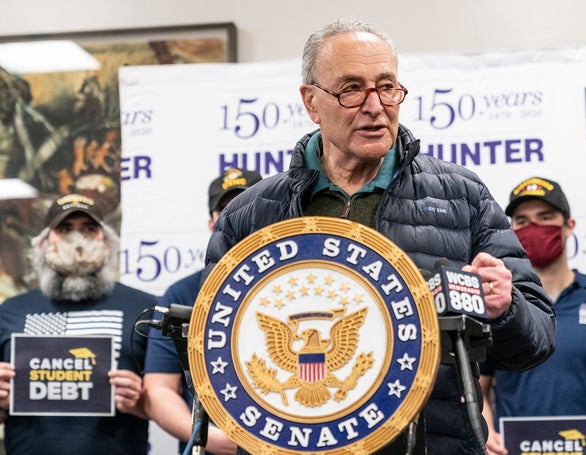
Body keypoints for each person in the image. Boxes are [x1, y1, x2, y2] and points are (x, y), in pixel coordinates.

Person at [203, 19, 556, 454]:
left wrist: (506, 308)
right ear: (311, 102)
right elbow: (209, 354)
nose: (375, 105)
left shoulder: (462, 198)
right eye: (351, 89)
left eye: (386, 86)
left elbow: (536, 341)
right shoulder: (250, 215)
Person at [479, 177, 586, 455]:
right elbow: (479, 385)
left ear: (569, 225)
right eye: (522, 221)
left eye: (545, 217)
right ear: (510, 230)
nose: (534, 228)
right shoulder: (496, 304)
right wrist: (486, 431)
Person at [0, 193, 154, 455]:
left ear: (107, 241)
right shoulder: (10, 311)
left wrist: (144, 402)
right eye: (64, 229)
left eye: (89, 228)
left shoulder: (144, 308)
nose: (77, 237)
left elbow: (174, 398)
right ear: (42, 244)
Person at [143, 167, 261, 455]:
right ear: (212, 223)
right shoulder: (182, 294)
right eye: (226, 208)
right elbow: (158, 389)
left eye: (248, 204)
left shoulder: (301, 282)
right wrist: (210, 438)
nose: (237, 215)